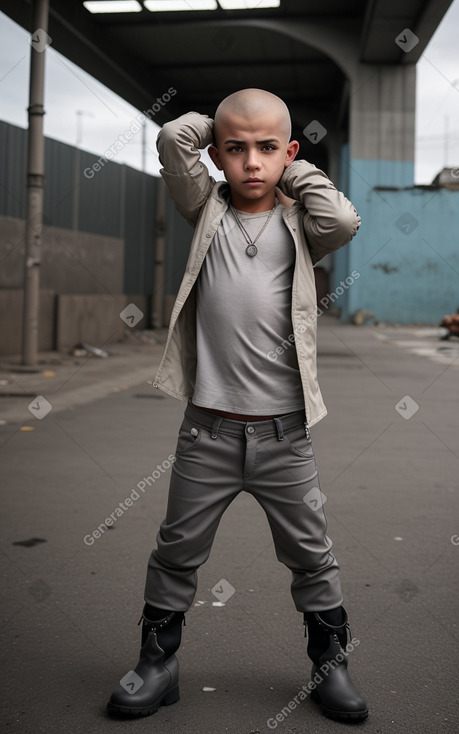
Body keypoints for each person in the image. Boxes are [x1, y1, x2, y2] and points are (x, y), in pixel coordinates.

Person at [107, 88, 368, 723]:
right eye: (236, 149)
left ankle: (329, 665)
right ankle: (157, 663)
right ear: (219, 158)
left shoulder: (302, 225)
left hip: (286, 437)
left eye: (267, 149)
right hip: (208, 432)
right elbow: (174, 141)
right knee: (176, 550)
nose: (252, 162)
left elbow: (342, 219)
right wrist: (217, 123)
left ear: (290, 153)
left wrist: (293, 169)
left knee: (313, 555)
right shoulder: (207, 211)